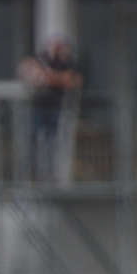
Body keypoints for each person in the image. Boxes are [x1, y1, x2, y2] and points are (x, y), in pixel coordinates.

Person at [19, 36, 82, 183]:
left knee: (53, 145)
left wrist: (49, 77)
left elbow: (70, 81)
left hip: (55, 109)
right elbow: (27, 72)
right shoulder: (42, 59)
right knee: (34, 144)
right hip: (39, 108)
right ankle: (33, 175)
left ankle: (52, 177)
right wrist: (52, 78)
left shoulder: (67, 63)